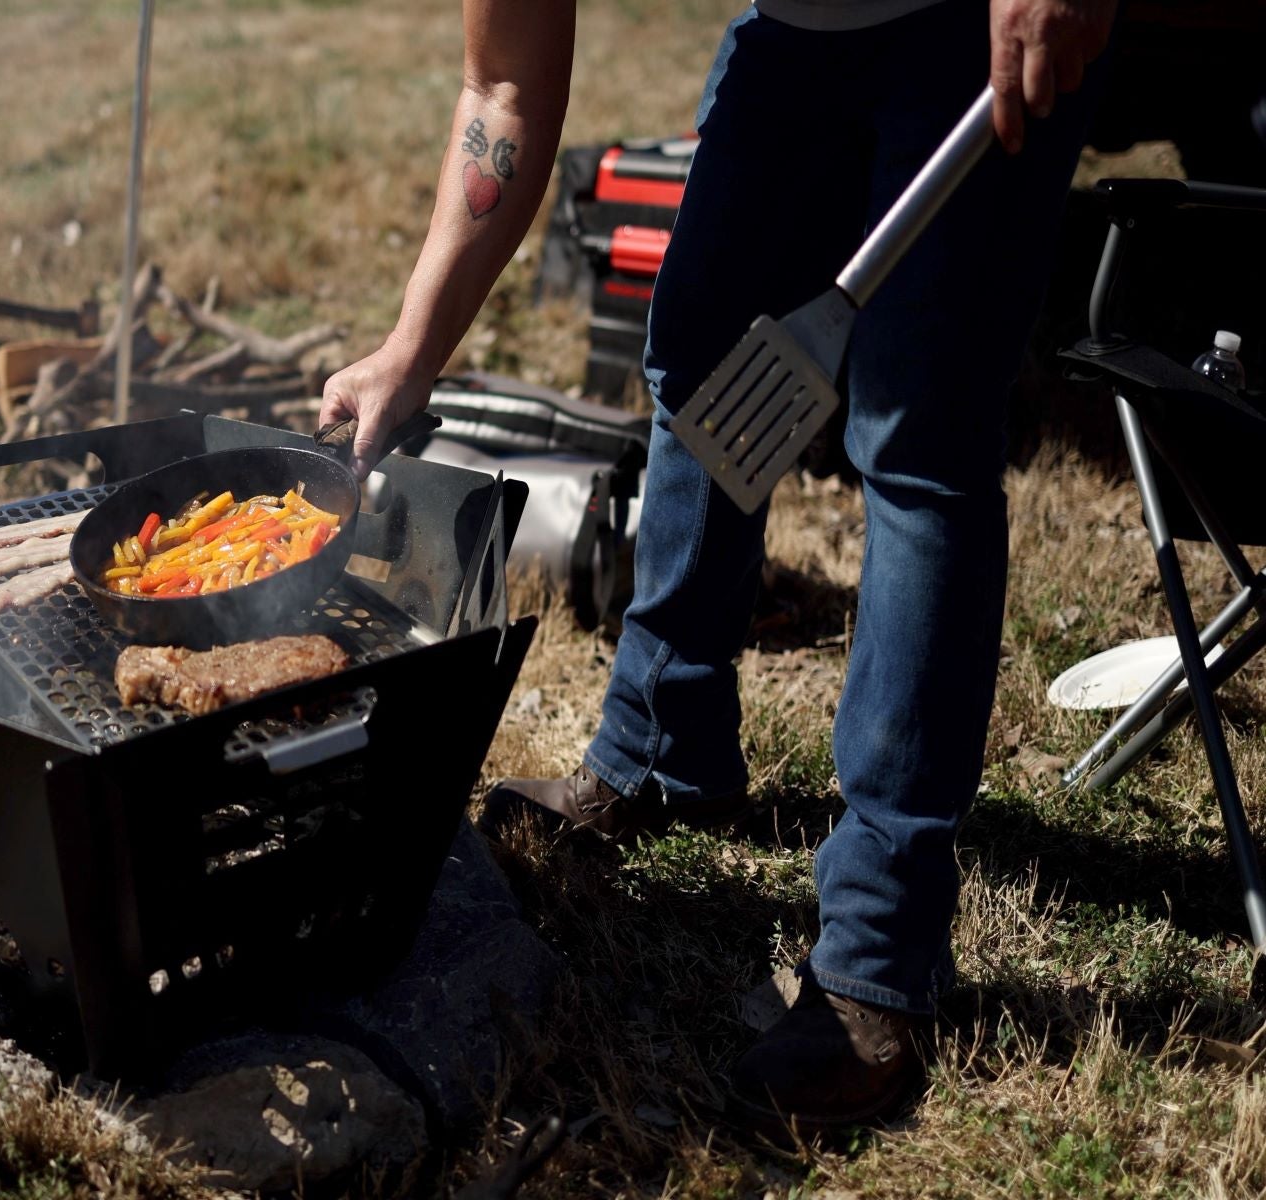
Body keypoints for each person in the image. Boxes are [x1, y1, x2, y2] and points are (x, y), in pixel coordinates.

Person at [320, 0, 1116, 1135]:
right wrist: (411, 346)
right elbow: (501, 90)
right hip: (803, 28)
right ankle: (661, 746)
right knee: (702, 358)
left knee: (916, 436)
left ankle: (878, 952)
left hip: (964, 20)